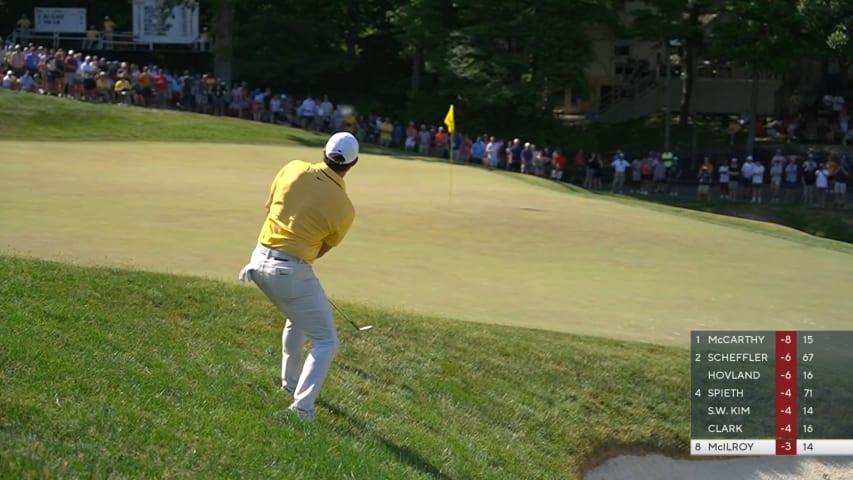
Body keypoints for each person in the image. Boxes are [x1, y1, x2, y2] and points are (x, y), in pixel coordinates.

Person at [238, 132, 359, 421]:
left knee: (298, 318)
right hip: (289, 271)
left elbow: (270, 208)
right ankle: (301, 410)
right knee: (327, 342)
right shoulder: (345, 208)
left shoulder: (292, 167)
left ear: (323, 151)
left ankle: (289, 384)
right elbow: (321, 249)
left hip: (256, 260)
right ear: (353, 165)